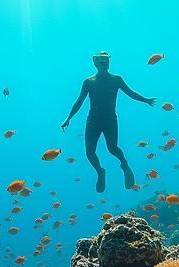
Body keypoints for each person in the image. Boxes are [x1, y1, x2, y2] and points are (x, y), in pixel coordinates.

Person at [62, 52, 155, 192]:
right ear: (95, 63)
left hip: (110, 120)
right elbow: (79, 101)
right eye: (100, 61)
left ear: (109, 62)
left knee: (112, 148)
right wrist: (68, 118)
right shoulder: (88, 82)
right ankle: (100, 171)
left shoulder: (116, 79)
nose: (103, 63)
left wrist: (146, 100)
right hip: (93, 120)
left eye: (106, 61)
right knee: (89, 152)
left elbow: (131, 93)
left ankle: (124, 164)